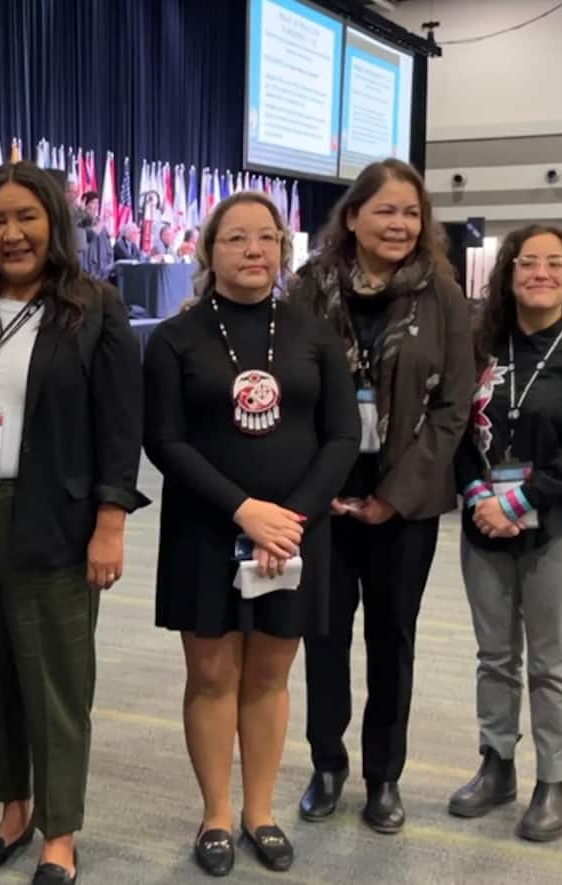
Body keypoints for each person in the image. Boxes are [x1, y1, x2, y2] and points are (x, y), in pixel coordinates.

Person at [0, 161, 146, 884]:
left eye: (27, 217)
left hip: (52, 515)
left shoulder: (94, 306)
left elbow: (122, 428)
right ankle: (12, 809)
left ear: (55, 222)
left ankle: (61, 833)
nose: (11, 233)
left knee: (56, 680)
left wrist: (109, 522)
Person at [144, 191, 359, 875]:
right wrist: (244, 510)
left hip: (295, 534)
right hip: (206, 529)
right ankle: (214, 812)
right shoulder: (176, 338)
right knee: (210, 675)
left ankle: (258, 811)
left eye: (266, 237)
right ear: (209, 250)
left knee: (269, 673)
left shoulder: (314, 332)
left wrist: (288, 519)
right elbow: (164, 440)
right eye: (235, 238)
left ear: (282, 249)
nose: (253, 250)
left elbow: (342, 436)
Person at [290, 159, 474, 834]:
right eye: (386, 210)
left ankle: (383, 775)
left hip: (406, 504)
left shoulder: (443, 295)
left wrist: (393, 496)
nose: (400, 224)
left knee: (392, 638)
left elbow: (454, 407)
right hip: (324, 501)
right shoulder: (309, 290)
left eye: (411, 213)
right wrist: (319, 490)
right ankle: (327, 762)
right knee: (324, 636)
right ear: (352, 217)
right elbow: (289, 398)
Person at [450, 225, 562, 842]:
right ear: (509, 273)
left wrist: (516, 499)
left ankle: (552, 782)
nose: (540, 273)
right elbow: (459, 434)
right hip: (483, 527)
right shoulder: (482, 348)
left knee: (551, 662)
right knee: (494, 657)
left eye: (554, 264)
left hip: (558, 529)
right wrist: (476, 498)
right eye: (528, 262)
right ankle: (497, 766)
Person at [79, 192, 113, 281]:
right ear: (85, 203)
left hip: (101, 268)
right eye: (93, 202)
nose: (95, 206)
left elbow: (107, 240)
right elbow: (90, 234)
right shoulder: (81, 219)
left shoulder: (98, 220)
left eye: (97, 203)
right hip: (87, 266)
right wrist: (102, 222)